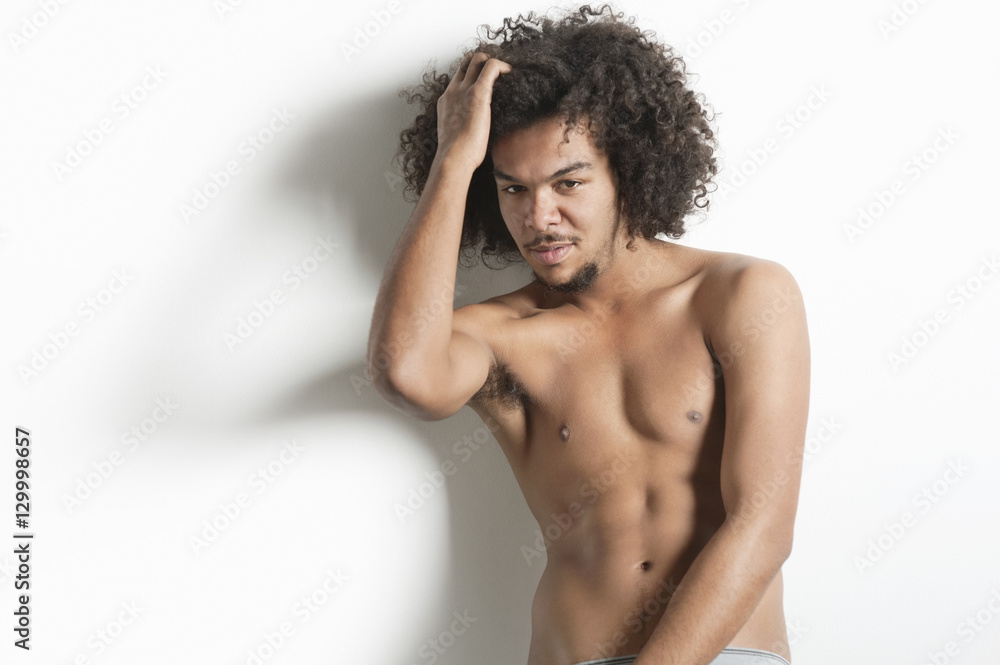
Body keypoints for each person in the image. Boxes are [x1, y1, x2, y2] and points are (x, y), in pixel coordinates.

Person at [367, 5, 810, 665]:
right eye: (513, 189)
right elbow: (406, 373)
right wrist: (455, 161)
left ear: (628, 171)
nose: (539, 216)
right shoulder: (504, 335)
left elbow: (762, 525)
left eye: (568, 182)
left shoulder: (741, 294)